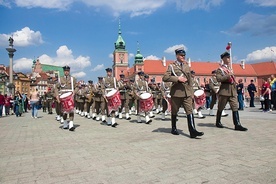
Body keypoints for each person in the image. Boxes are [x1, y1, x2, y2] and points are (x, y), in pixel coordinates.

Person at [162, 47, 204, 138]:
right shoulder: (171, 66)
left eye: (184, 55)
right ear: (177, 55)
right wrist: (177, 78)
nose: (183, 56)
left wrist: (192, 92)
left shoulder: (186, 66)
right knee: (175, 111)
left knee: (189, 111)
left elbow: (190, 80)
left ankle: (192, 130)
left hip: (187, 93)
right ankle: (174, 128)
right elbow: (165, 78)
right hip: (176, 93)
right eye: (181, 55)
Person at [215, 52, 247, 131]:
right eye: (227, 58)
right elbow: (219, 79)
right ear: (223, 59)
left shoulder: (230, 68)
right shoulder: (220, 69)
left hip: (232, 90)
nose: (229, 59)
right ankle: (218, 122)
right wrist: (228, 75)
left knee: (235, 107)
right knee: (221, 107)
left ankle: (237, 124)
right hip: (225, 90)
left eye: (229, 57)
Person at [55, 65, 77, 131]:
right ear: (64, 71)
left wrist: (74, 92)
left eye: (67, 71)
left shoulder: (73, 79)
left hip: (70, 96)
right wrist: (57, 97)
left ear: (69, 71)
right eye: (65, 71)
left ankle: (71, 124)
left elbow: (77, 87)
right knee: (64, 111)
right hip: (63, 96)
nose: (66, 72)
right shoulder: (60, 79)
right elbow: (56, 88)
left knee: (71, 110)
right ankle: (65, 123)